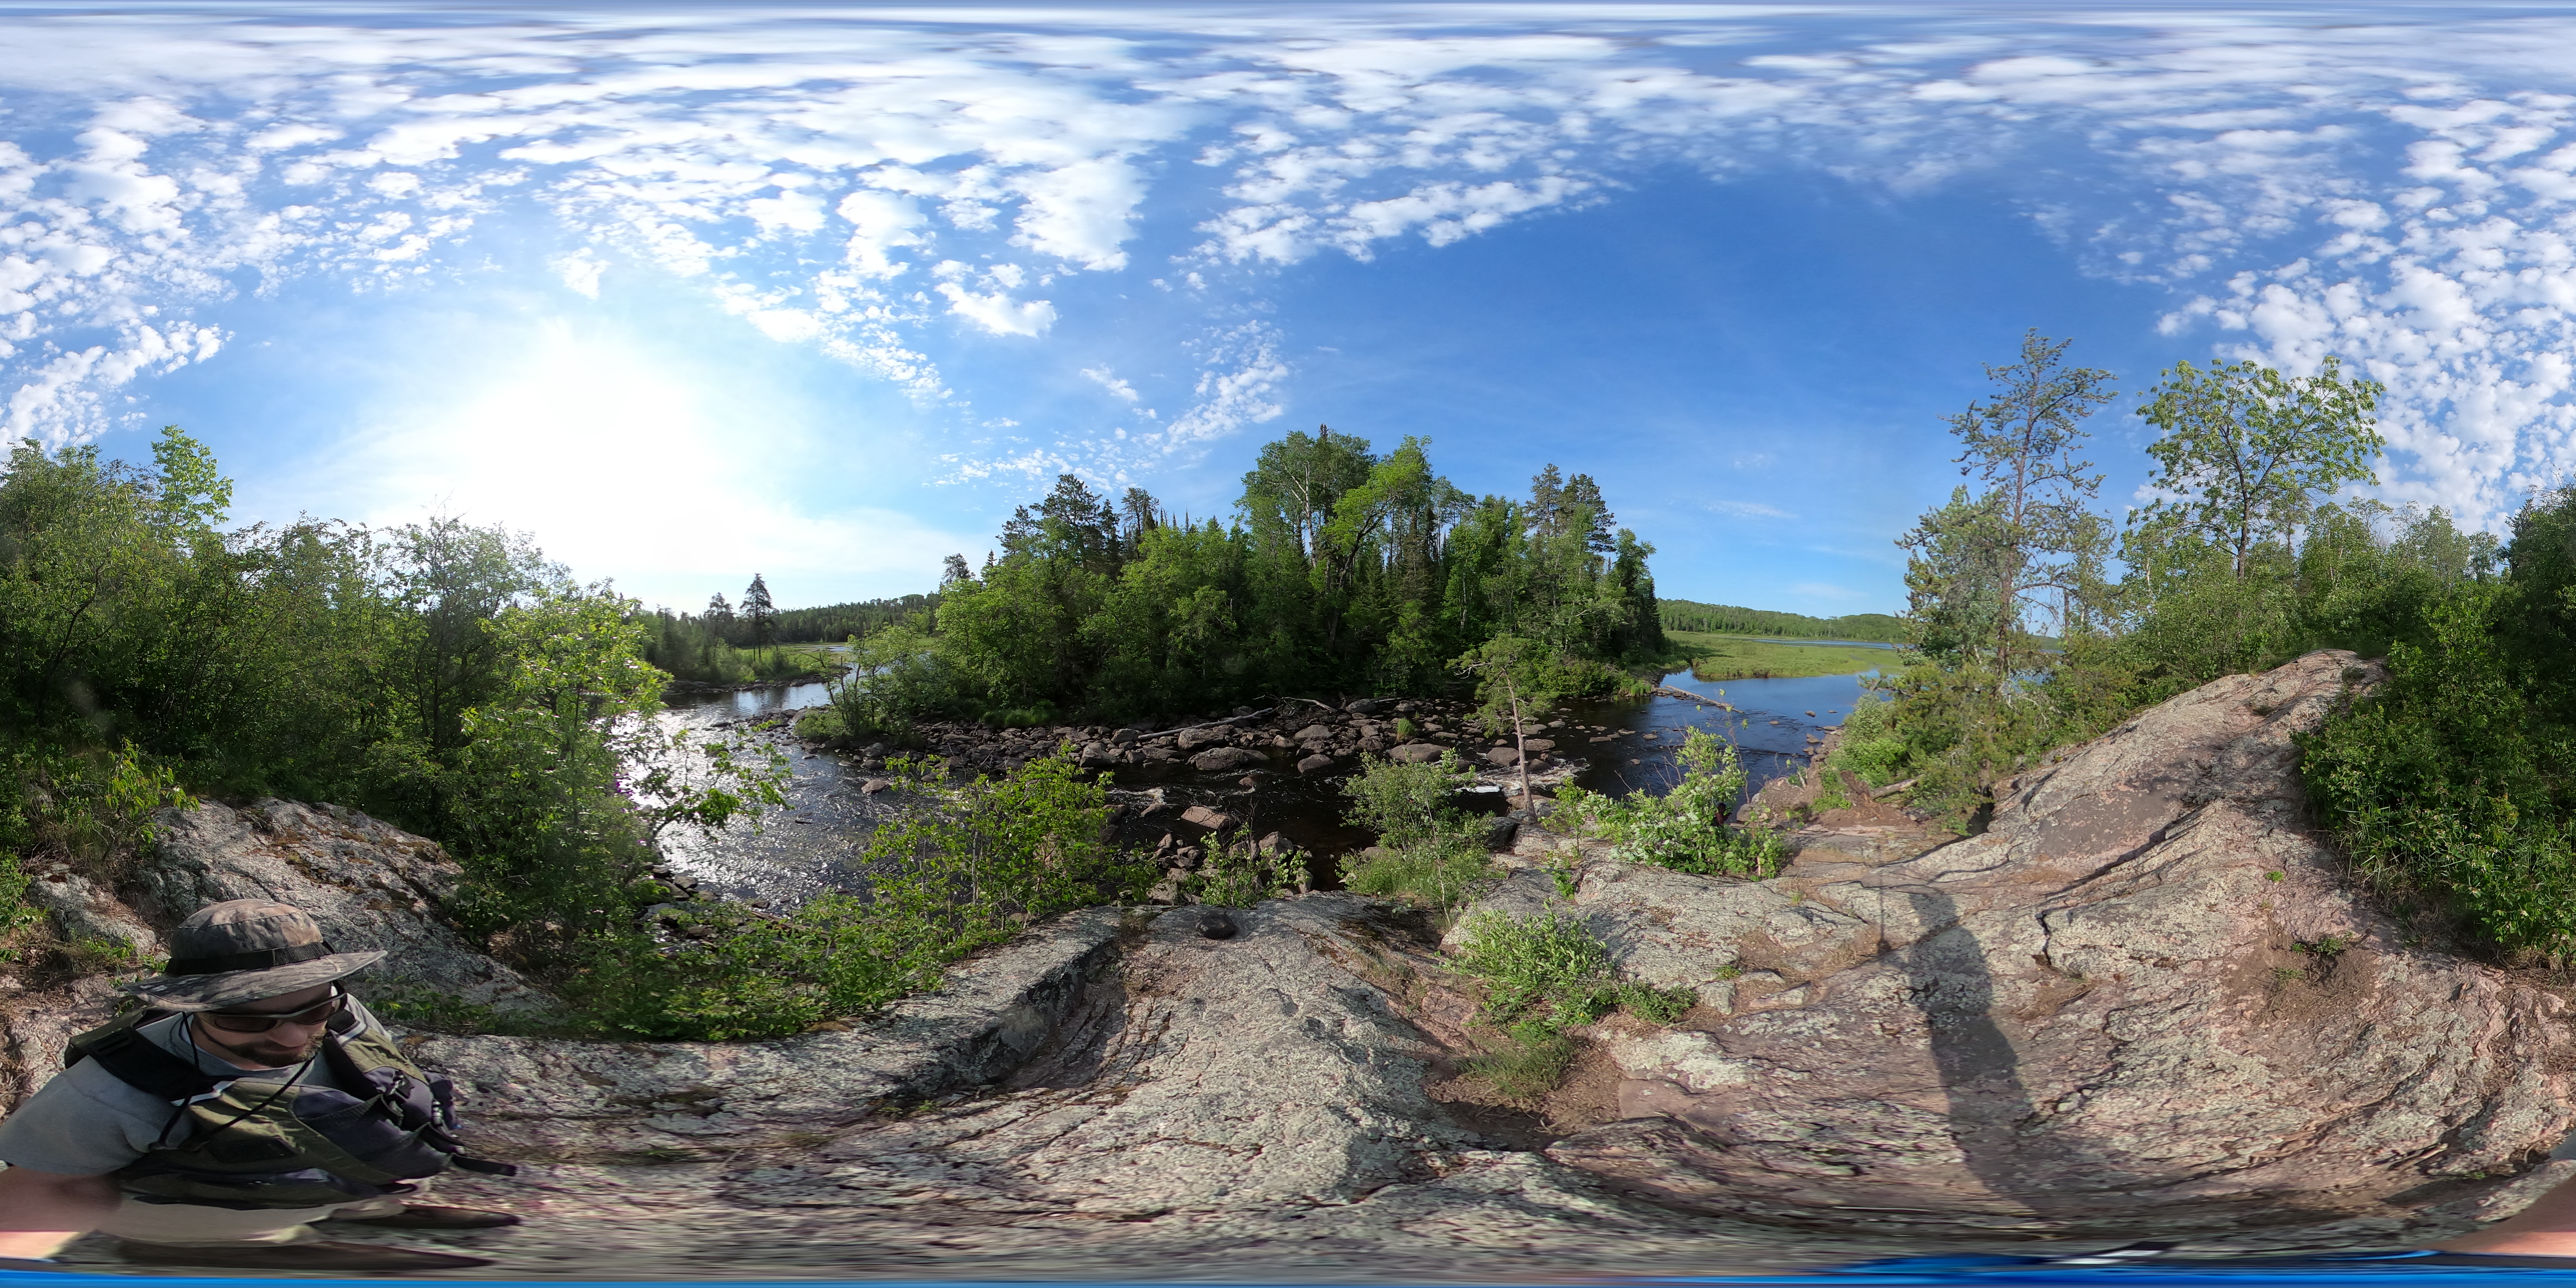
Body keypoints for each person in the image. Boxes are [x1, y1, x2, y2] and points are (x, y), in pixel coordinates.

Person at [0, 899, 520, 1272]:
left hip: (330, 1175)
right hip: (204, 1217)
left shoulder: (341, 1012)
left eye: (313, 1008)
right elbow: (36, 1194)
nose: (293, 1035)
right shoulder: (110, 1092)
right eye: (248, 1021)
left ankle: (371, 1209)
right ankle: (239, 1249)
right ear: (193, 1007)